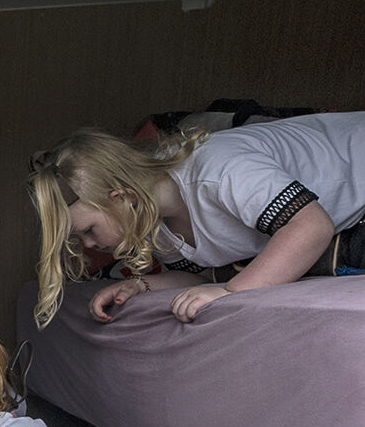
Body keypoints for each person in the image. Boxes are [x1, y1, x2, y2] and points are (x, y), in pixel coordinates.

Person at [27, 113, 365, 326]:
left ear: (123, 198)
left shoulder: (217, 171)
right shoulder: (153, 223)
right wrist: (141, 286)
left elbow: (310, 225)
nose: (89, 245)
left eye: (88, 230)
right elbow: (202, 277)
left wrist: (234, 292)